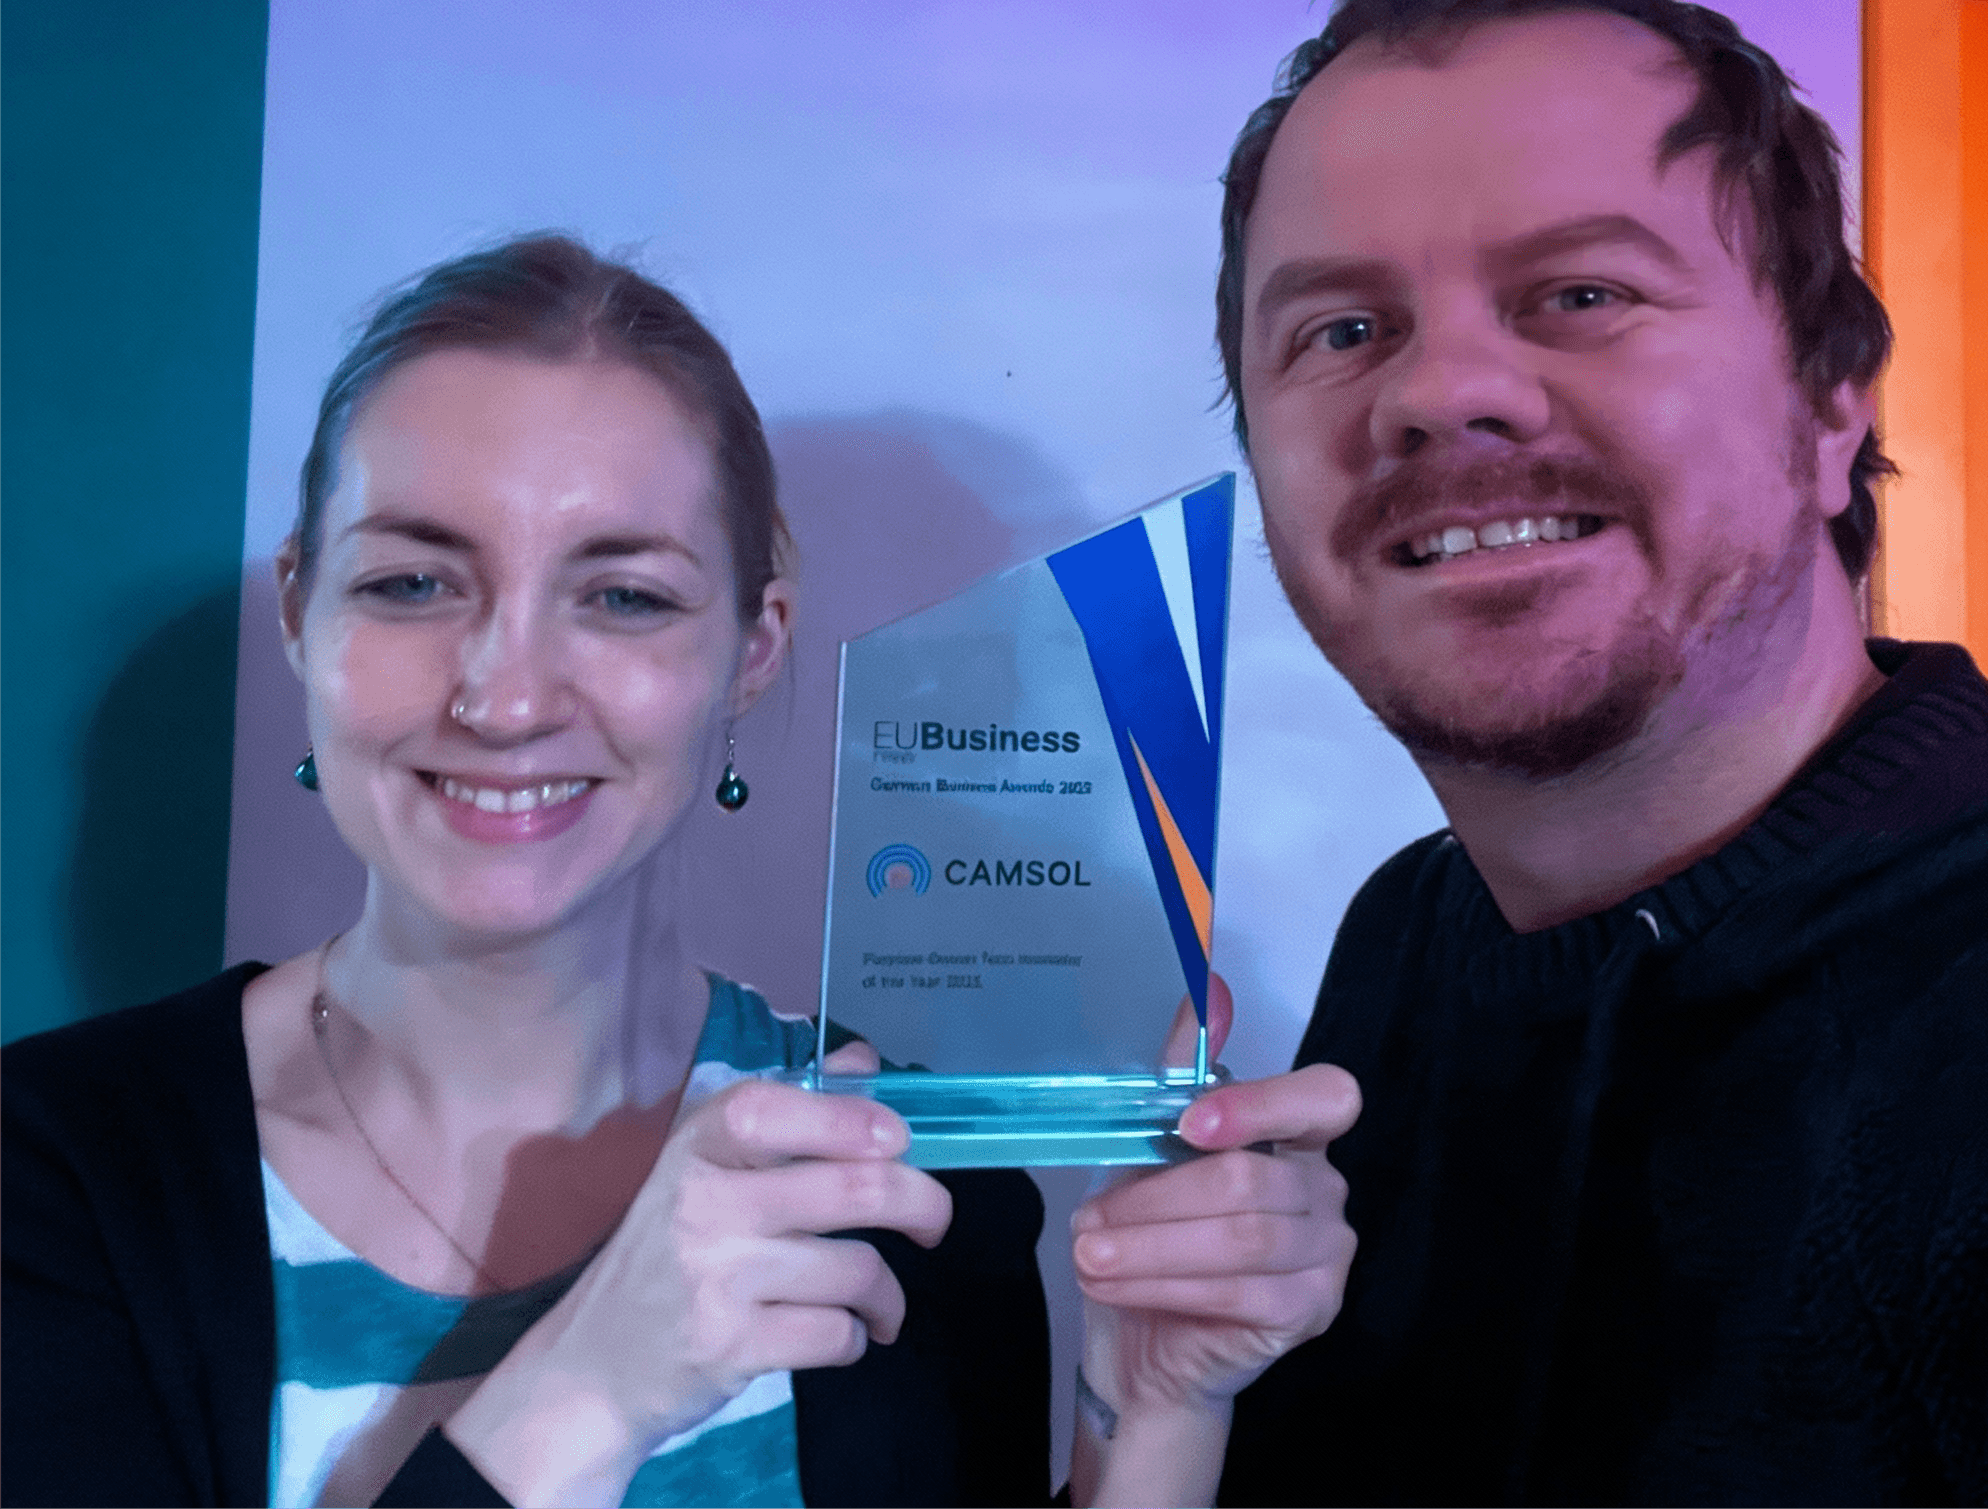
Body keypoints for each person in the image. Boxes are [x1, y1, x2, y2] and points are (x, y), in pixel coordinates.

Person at [1203, 0, 1988, 1505]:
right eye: (1342, 331)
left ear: (1831, 403)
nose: (1440, 390)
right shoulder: (1418, 944)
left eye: (1579, 292)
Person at [3, 235, 1357, 1508]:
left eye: (624, 595)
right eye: (414, 584)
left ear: (753, 647)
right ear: (302, 612)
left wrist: (1154, 1408)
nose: (507, 695)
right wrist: (596, 1383)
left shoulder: (905, 1178)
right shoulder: (54, 1175)